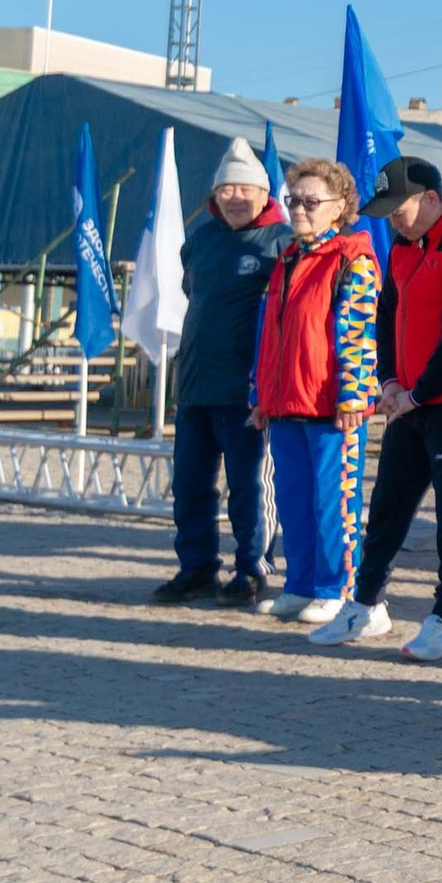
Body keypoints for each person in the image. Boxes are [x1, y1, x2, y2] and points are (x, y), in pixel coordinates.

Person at [310, 158, 442, 659]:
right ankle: (367, 605)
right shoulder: (402, 245)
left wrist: (419, 392)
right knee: (388, 506)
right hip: (407, 401)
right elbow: (387, 312)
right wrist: (390, 380)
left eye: (401, 209)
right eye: (388, 212)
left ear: (433, 199)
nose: (394, 219)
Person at [151, 138, 290, 608]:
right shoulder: (202, 240)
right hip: (194, 387)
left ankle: (252, 568)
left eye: (244, 189)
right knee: (190, 485)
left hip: (245, 392)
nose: (234, 197)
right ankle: (197, 568)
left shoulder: (282, 243)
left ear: (264, 194)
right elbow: (193, 293)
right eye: (226, 189)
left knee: (248, 486)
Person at [248, 158, 379, 628]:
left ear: (339, 207)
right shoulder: (286, 259)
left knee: (332, 503)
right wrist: (260, 395)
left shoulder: (352, 260)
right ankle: (300, 584)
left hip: (330, 409)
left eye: (310, 202)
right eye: (293, 200)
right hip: (286, 404)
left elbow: (359, 335)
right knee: (293, 500)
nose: (299, 209)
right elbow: (269, 335)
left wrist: (352, 397)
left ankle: (337, 589)